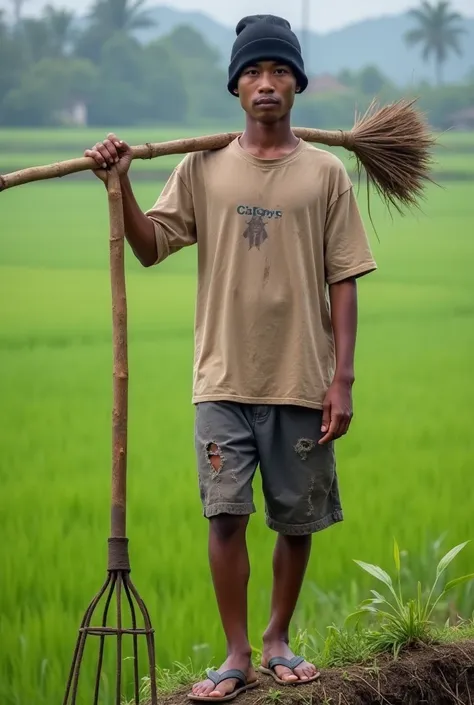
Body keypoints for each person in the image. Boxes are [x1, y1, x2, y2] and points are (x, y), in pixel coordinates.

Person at [85, 14, 377, 703]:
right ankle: (239, 651)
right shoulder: (203, 166)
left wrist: (343, 378)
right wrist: (119, 185)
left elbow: (345, 278)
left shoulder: (326, 173)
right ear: (235, 87)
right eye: (252, 72)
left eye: (278, 72)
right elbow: (152, 244)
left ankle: (277, 636)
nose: (266, 84)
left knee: (295, 516)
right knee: (224, 515)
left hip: (301, 376)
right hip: (221, 375)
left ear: (297, 84)